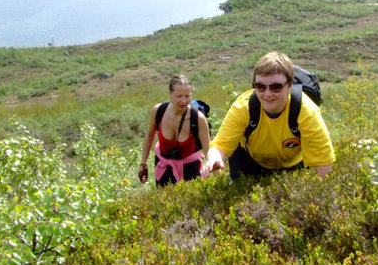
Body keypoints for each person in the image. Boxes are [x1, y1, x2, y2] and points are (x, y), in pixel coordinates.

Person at [202, 52, 334, 180]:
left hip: (293, 164)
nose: (267, 94)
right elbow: (220, 146)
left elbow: (323, 163)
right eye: (260, 86)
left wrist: (318, 198)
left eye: (276, 87)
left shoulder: (306, 112)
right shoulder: (244, 107)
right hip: (251, 162)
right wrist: (214, 159)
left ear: (289, 86)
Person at [139, 75, 211, 186]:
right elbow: (149, 136)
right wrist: (143, 164)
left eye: (187, 96)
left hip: (190, 168)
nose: (183, 101)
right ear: (170, 94)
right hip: (163, 165)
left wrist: (211, 168)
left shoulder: (198, 118)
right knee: (162, 201)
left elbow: (208, 150)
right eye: (179, 96)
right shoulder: (158, 111)